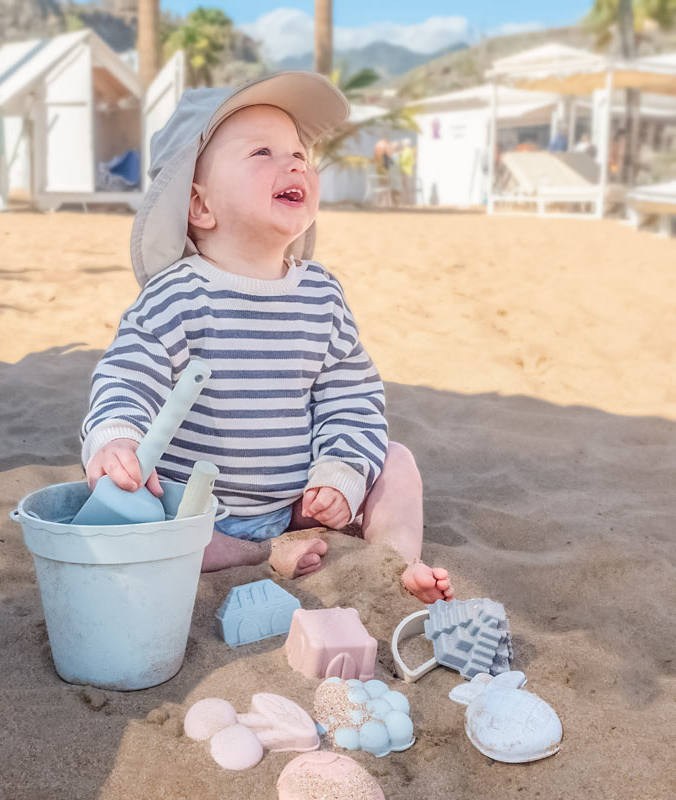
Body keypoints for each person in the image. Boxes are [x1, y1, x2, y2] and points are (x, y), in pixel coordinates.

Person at [80, 73, 454, 604]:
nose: (296, 163)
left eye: (299, 153)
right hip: (195, 510)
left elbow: (350, 396)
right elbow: (127, 376)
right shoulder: (176, 298)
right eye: (262, 152)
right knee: (138, 513)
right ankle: (251, 553)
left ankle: (395, 564)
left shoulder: (322, 295)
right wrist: (116, 438)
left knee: (396, 463)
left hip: (298, 502)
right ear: (200, 206)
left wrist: (340, 476)